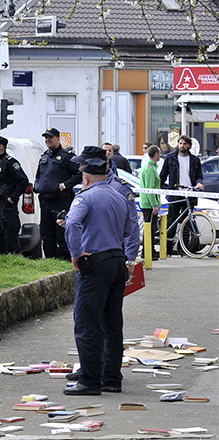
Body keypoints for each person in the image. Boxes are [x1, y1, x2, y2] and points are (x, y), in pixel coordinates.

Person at [62, 148, 139, 396]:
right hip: (117, 261)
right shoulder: (119, 196)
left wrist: (76, 253)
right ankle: (111, 378)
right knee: (112, 324)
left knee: (87, 323)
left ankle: (89, 380)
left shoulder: (85, 198)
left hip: (95, 264)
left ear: (85, 177)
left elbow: (73, 223)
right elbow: (129, 229)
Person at [34, 128, 81, 259]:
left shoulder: (67, 157)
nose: (47, 140)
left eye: (50, 137)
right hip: (45, 201)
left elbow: (79, 174)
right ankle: (50, 261)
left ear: (58, 139)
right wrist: (37, 186)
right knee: (46, 234)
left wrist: (64, 185)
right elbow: (38, 175)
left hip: (60, 201)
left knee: (62, 234)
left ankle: (66, 262)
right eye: (46, 138)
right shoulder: (44, 157)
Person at [159, 135, 204, 255]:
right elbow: (163, 175)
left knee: (187, 222)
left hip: (190, 195)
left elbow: (199, 176)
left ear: (189, 146)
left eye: (184, 144)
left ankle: (184, 248)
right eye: (180, 143)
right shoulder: (170, 158)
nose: (182, 146)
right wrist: (159, 188)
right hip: (175, 194)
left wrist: (199, 183)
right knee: (172, 220)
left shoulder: (195, 160)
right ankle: (167, 249)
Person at [0, 136, 29, 254]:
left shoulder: (10, 163)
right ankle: (0, 258)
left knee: (10, 233)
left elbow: (23, 181)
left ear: (1, 146)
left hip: (7, 205)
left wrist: (12, 198)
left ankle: (14, 258)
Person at [139, 145, 162, 260]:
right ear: (156, 154)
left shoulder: (150, 167)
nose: (160, 155)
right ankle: (146, 252)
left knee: (151, 228)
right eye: (159, 153)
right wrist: (154, 205)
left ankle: (150, 250)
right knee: (150, 229)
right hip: (149, 204)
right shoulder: (150, 169)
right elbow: (150, 189)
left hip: (148, 203)